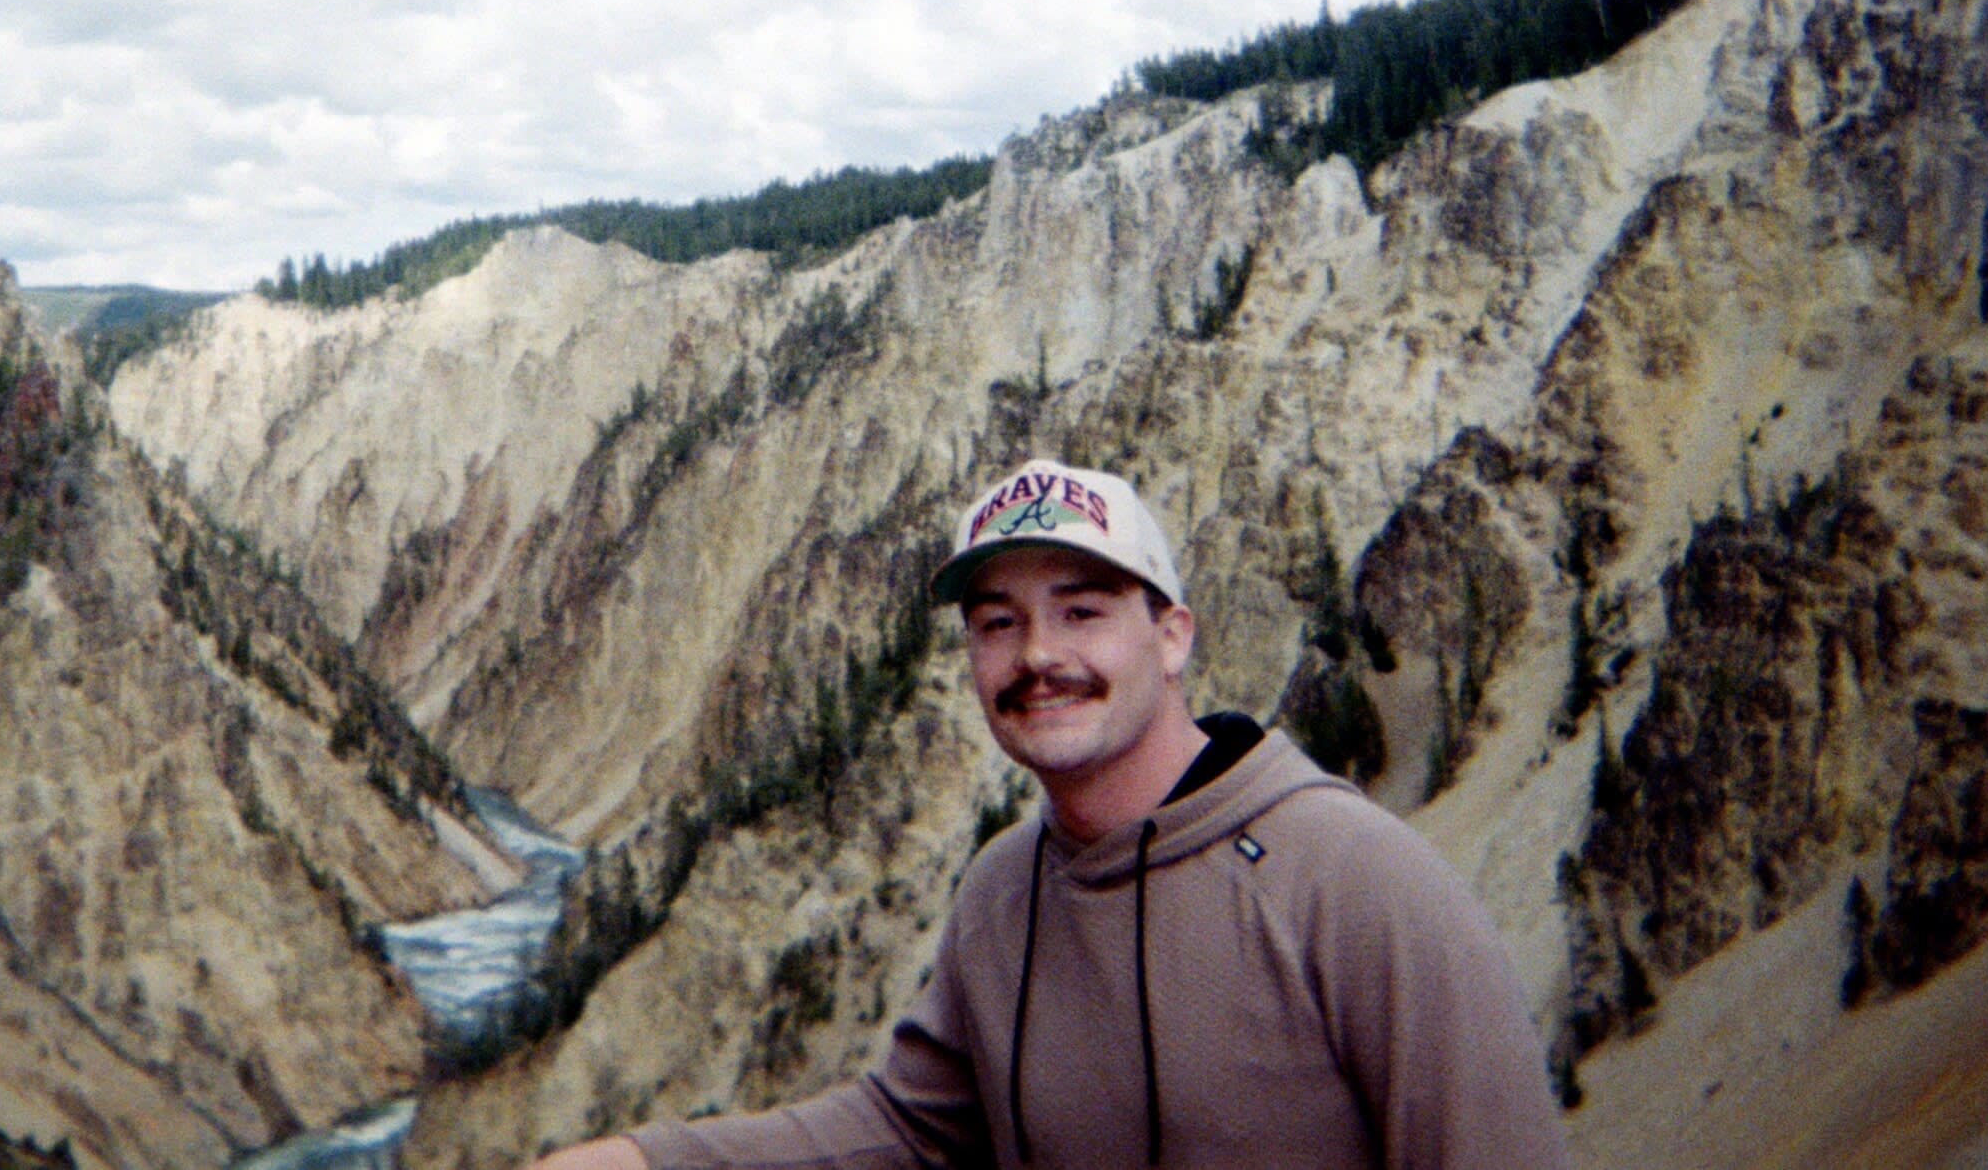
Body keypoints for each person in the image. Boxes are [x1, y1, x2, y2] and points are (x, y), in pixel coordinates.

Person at [522, 459, 1567, 1170]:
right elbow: (908, 1131)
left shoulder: (1353, 879)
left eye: (1081, 609)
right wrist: (646, 1160)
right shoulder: (1003, 893)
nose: (1036, 657)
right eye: (997, 622)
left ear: (1171, 634)